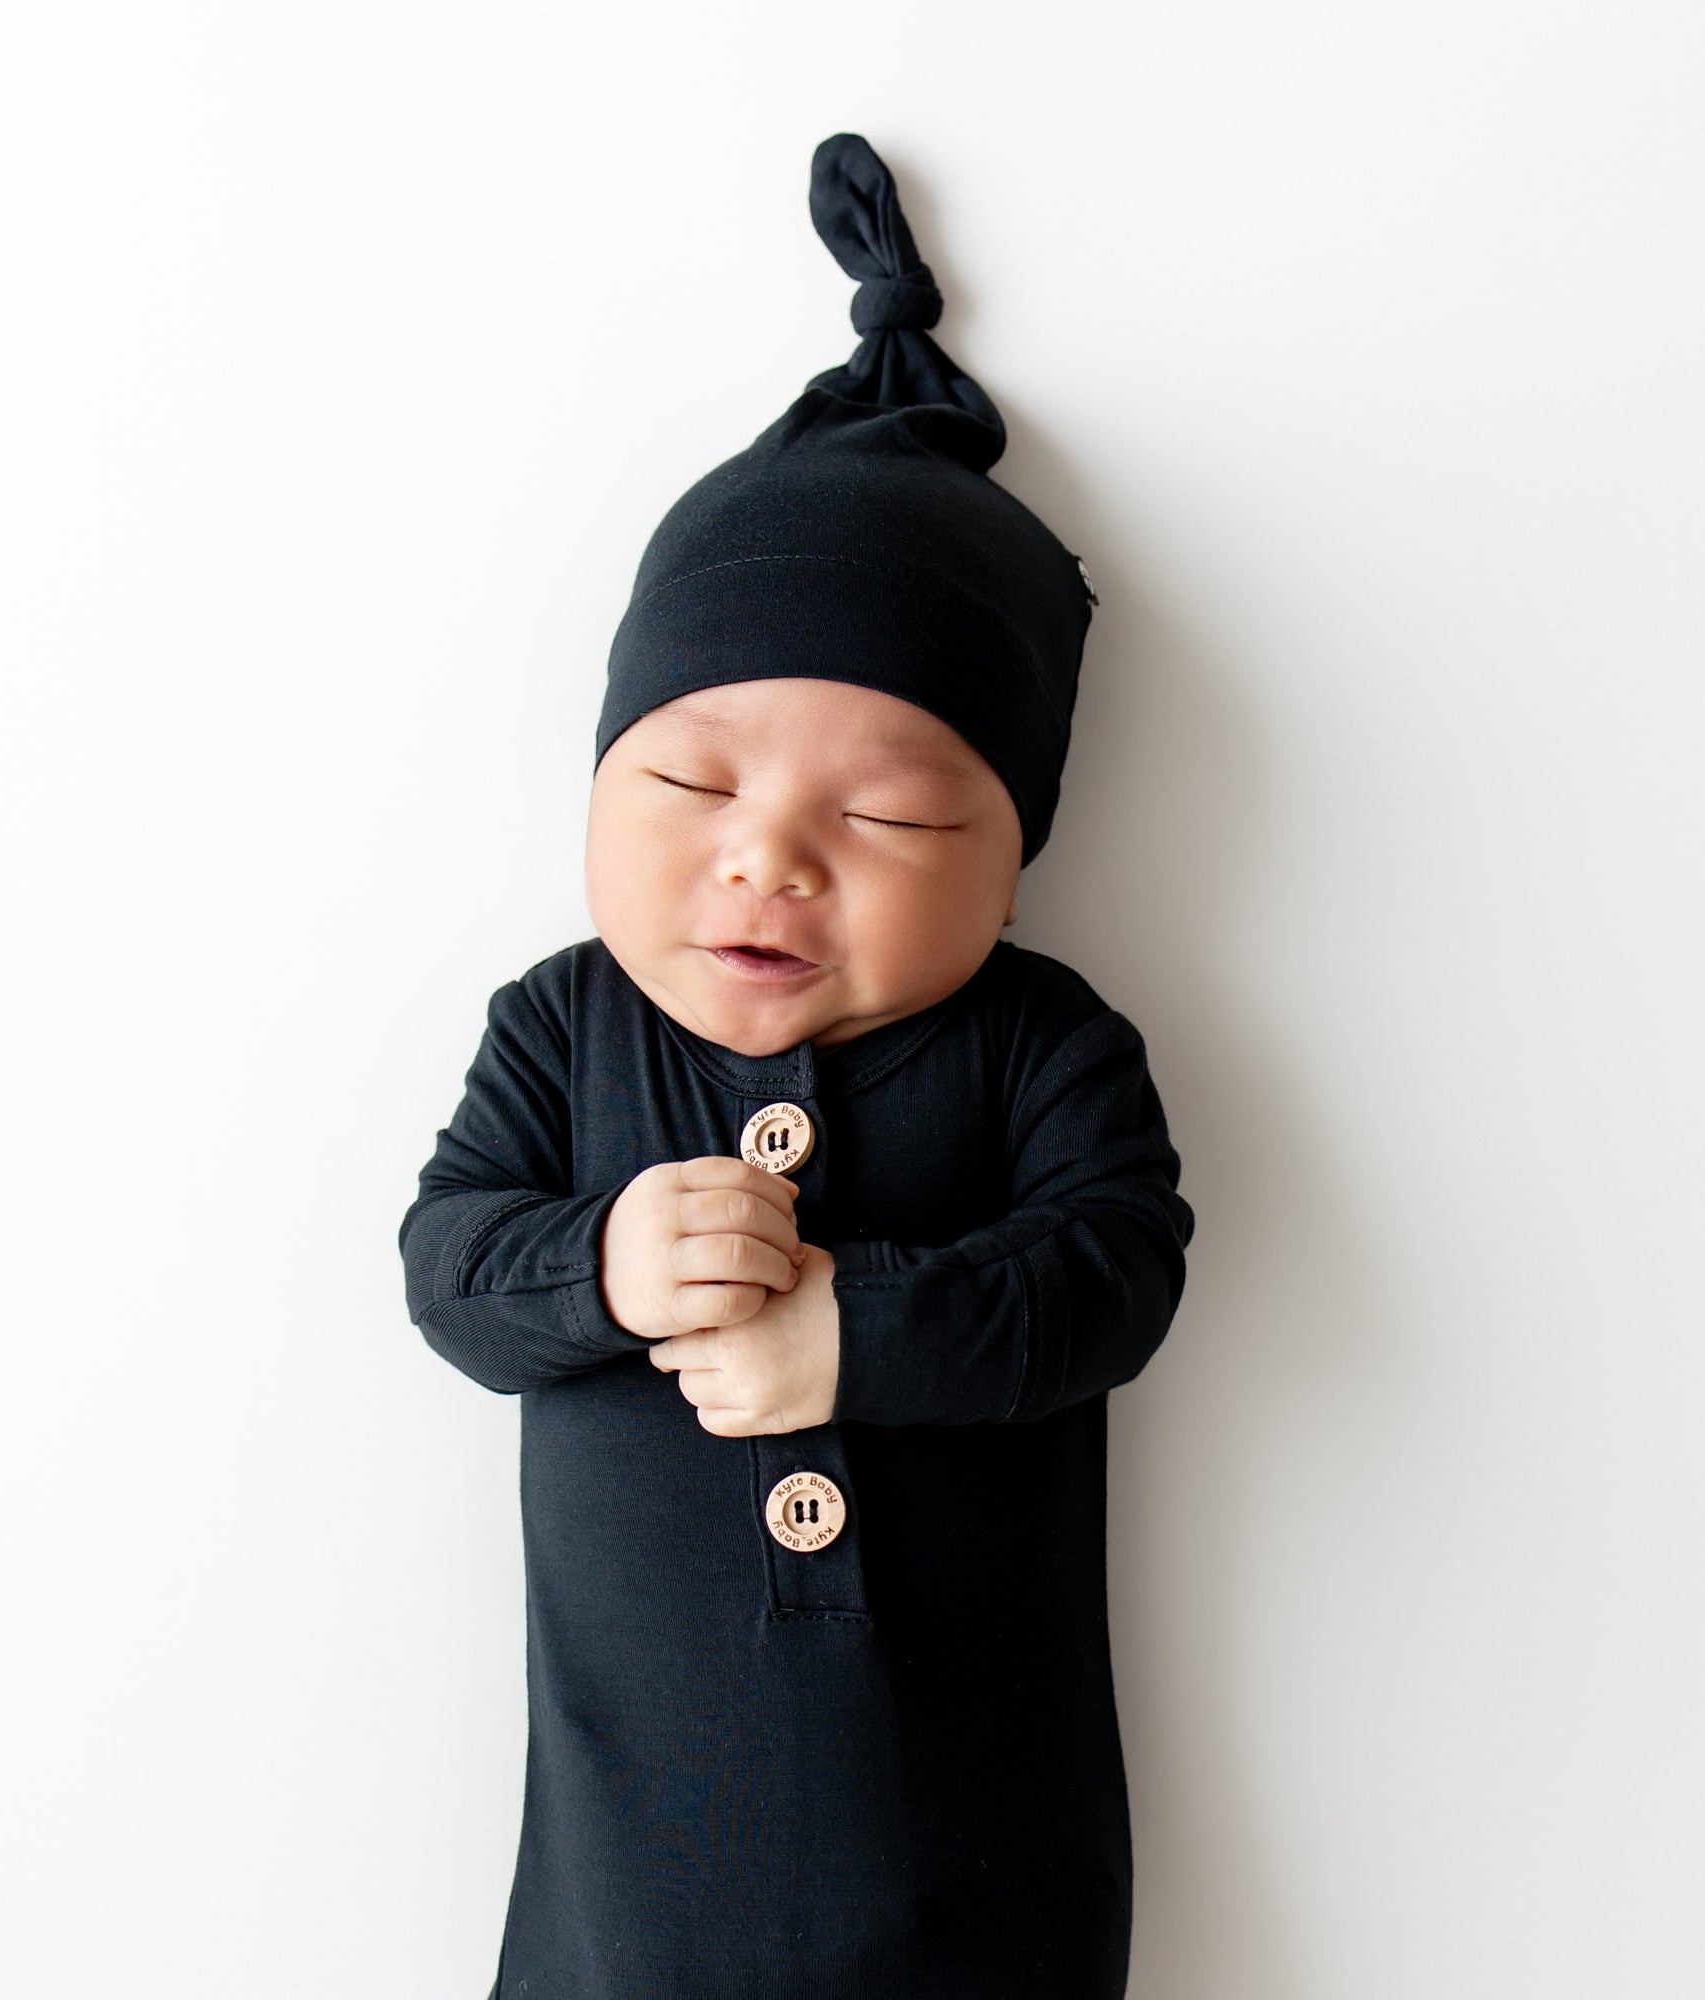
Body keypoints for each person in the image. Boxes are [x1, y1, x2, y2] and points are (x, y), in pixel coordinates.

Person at [398, 132, 1196, 2000]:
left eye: (887, 818)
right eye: (690, 782)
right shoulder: (564, 1027)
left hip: (972, 1838)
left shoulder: (1039, 1043)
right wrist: (599, 1262)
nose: (766, 859)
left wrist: (862, 1330)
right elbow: (446, 1268)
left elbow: (1119, 1272)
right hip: (636, 1862)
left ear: (1012, 859)